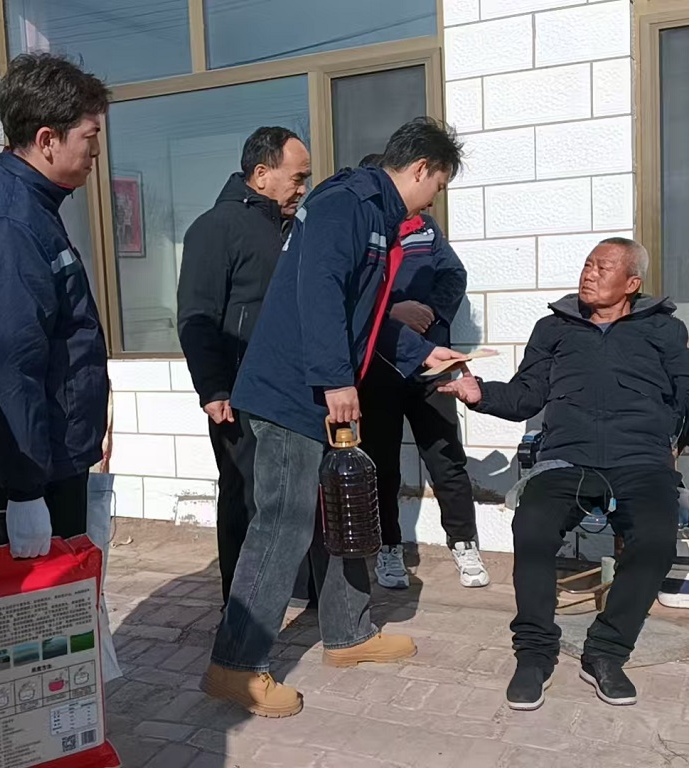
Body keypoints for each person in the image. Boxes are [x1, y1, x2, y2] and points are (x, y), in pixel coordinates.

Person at [201, 117, 467, 717]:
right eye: (437, 186)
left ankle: (349, 634)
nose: (433, 202)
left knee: (340, 513)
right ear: (421, 169)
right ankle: (235, 666)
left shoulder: (378, 218)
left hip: (323, 392)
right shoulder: (345, 203)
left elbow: (362, 318)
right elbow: (318, 290)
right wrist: (336, 379)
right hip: (292, 393)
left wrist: (422, 354)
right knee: (283, 524)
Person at [442, 237, 689, 711]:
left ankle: (607, 652)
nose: (589, 274)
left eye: (603, 268)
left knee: (656, 542)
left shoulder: (663, 330)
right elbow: (526, 395)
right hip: (567, 459)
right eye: (587, 265)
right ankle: (534, 654)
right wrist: (481, 394)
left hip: (640, 461)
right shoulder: (553, 329)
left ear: (632, 283)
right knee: (532, 527)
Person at [0, 53, 111, 559]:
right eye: (89, 136)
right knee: (44, 601)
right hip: (36, 467)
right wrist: (25, 492)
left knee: (63, 601)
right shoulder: (11, 225)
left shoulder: (27, 205)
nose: (96, 150)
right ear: (47, 139)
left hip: (46, 454)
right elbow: (8, 364)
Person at [177, 126, 311, 604]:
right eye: (297, 178)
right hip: (238, 394)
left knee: (291, 494)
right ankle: (241, 605)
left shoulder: (292, 230)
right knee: (245, 496)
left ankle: (297, 588)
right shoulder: (217, 228)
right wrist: (213, 387)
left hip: (291, 391)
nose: (303, 188)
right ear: (261, 174)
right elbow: (196, 314)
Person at [353, 153, 485, 591]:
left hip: (431, 364)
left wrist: (429, 314)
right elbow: (353, 297)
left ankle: (464, 542)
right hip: (380, 367)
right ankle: (389, 547)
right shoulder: (361, 232)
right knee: (382, 463)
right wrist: (393, 313)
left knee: (446, 457)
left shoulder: (425, 229)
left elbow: (453, 274)